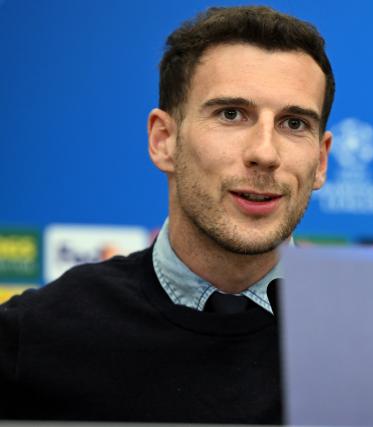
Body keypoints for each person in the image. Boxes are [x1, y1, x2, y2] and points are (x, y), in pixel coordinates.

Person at [0, 5, 334, 424]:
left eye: (293, 123)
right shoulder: (38, 334)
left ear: (320, 162)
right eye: (231, 114)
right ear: (163, 140)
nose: (265, 153)